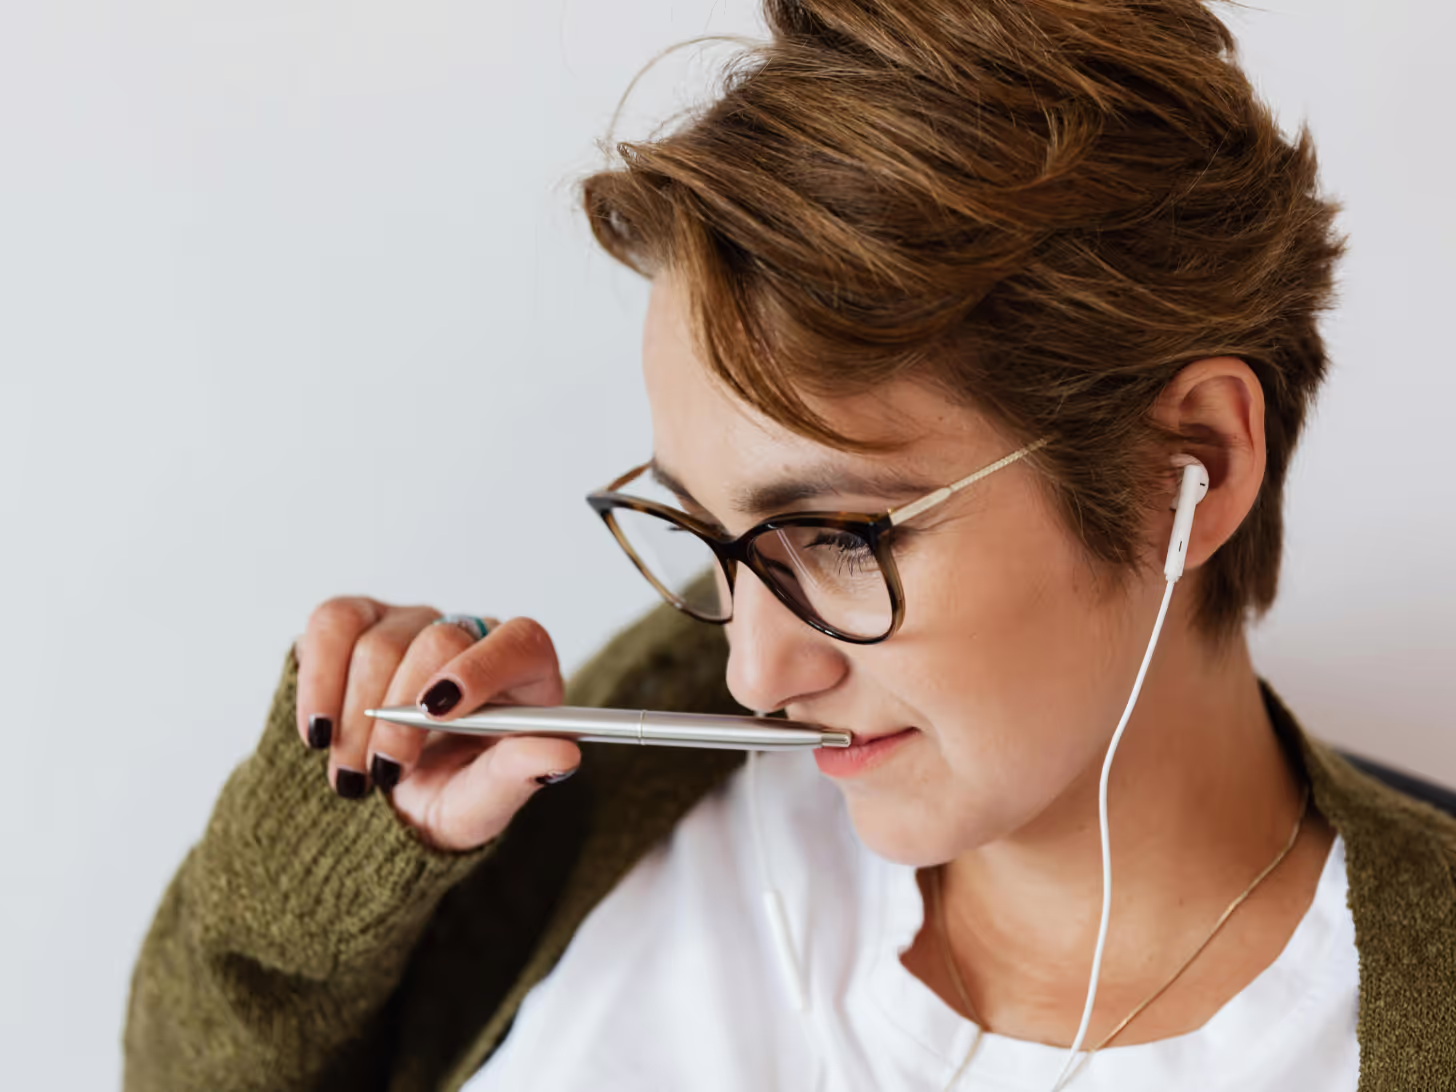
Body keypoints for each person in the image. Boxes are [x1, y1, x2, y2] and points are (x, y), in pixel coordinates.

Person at [124, 1, 1456, 1090]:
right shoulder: (615, 789)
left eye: (832, 537)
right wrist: (352, 860)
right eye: (706, 533)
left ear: (1195, 466)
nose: (757, 672)